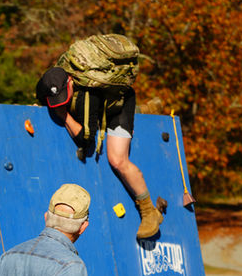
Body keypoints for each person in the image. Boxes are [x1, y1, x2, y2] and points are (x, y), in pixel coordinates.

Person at [36, 35, 164, 239]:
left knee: (117, 159)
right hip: (101, 106)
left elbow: (86, 138)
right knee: (95, 113)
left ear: (71, 82)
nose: (61, 102)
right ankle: (146, 109)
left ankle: (149, 211)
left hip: (119, 106)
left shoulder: (87, 93)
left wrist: (64, 115)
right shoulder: (52, 79)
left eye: (63, 97)